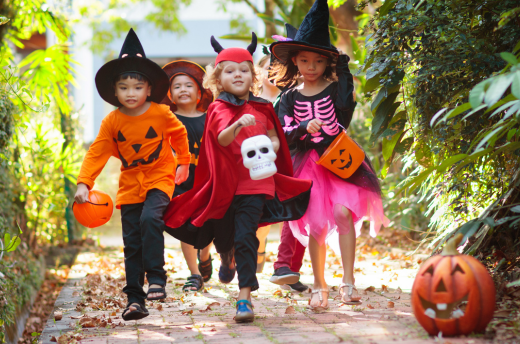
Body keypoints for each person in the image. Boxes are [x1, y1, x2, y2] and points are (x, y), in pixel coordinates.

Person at [162, 33, 312, 323]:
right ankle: (225, 254)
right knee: (224, 234)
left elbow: (274, 138)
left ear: (253, 75)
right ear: (219, 79)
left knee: (247, 236)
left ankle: (244, 298)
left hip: (256, 183)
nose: (238, 74)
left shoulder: (264, 107)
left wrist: (273, 148)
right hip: (225, 184)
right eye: (230, 70)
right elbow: (220, 138)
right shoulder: (219, 108)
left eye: (244, 69)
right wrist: (238, 123)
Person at [269, 0, 389, 309]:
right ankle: (319, 286)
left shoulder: (335, 89)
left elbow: (344, 114)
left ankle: (347, 282)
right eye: (304, 61)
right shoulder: (289, 97)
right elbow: (283, 132)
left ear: (326, 64)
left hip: (338, 160)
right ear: (295, 61)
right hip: (308, 165)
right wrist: (301, 129)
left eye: (317, 62)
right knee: (317, 223)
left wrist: (344, 77)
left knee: (341, 213)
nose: (310, 67)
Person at [75, 29, 190, 321]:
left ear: (149, 89)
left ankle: (156, 278)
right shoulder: (112, 121)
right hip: (129, 184)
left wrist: (184, 163)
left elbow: (179, 135)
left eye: (137, 87)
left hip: (160, 176)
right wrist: (84, 183)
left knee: (151, 219)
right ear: (115, 91)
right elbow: (97, 152)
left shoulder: (161, 114)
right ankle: (135, 300)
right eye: (124, 87)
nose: (131, 93)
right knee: (132, 240)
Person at [161, 60, 214, 292]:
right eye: (177, 86)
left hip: (207, 180)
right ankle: (194, 273)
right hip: (180, 182)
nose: (183, 89)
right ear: (170, 95)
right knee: (186, 225)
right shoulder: (166, 121)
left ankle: (205, 254)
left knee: (209, 224)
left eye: (189, 85)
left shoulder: (211, 117)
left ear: (200, 91)